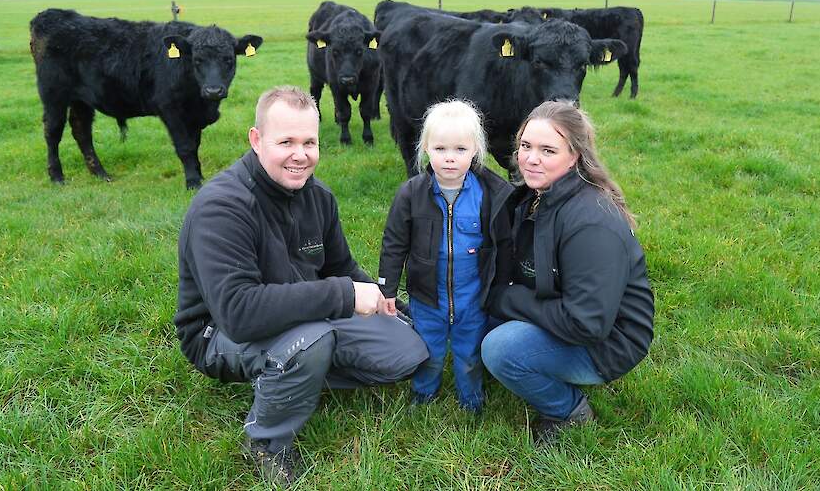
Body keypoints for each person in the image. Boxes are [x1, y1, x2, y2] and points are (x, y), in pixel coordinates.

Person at [174, 86, 428, 486]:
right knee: (309, 340)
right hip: (217, 334)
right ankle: (267, 442)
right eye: (286, 142)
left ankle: (292, 372)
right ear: (256, 140)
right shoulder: (222, 207)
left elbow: (340, 266)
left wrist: (385, 301)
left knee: (407, 350)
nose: (301, 154)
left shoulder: (318, 197)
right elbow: (238, 314)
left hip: (307, 321)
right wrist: (343, 295)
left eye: (309, 142)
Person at [481, 100, 655, 444]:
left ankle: (568, 410)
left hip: (609, 342)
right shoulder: (536, 195)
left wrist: (508, 299)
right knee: (476, 320)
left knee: (499, 348)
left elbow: (587, 322)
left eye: (548, 150)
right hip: (565, 307)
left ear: (575, 155)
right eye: (526, 146)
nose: (531, 158)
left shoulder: (592, 223)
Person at [378, 100, 513, 414]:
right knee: (430, 349)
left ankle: (471, 399)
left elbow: (504, 244)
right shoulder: (411, 194)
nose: (450, 158)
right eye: (440, 149)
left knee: (469, 351)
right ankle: (424, 394)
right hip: (427, 296)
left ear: (476, 150)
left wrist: (501, 287)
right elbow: (394, 243)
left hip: (473, 296)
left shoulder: (491, 194)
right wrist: (386, 288)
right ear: (426, 148)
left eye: (460, 150)